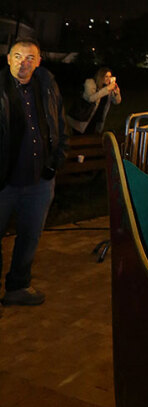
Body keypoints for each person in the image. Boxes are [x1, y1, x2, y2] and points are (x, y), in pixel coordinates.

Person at [0, 39, 68, 308]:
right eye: (17, 56)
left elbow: (60, 124)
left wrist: (56, 161)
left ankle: (18, 287)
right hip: (3, 184)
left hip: (40, 182)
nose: (23, 63)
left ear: (38, 61)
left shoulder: (47, 86)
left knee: (29, 237)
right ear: (8, 59)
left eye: (30, 58)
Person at [67, 67, 121, 134]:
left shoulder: (109, 88)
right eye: (106, 76)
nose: (108, 79)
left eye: (110, 76)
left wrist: (117, 92)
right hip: (84, 118)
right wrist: (107, 89)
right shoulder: (90, 82)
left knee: (93, 139)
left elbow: (117, 101)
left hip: (97, 120)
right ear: (101, 76)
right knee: (80, 139)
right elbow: (91, 99)